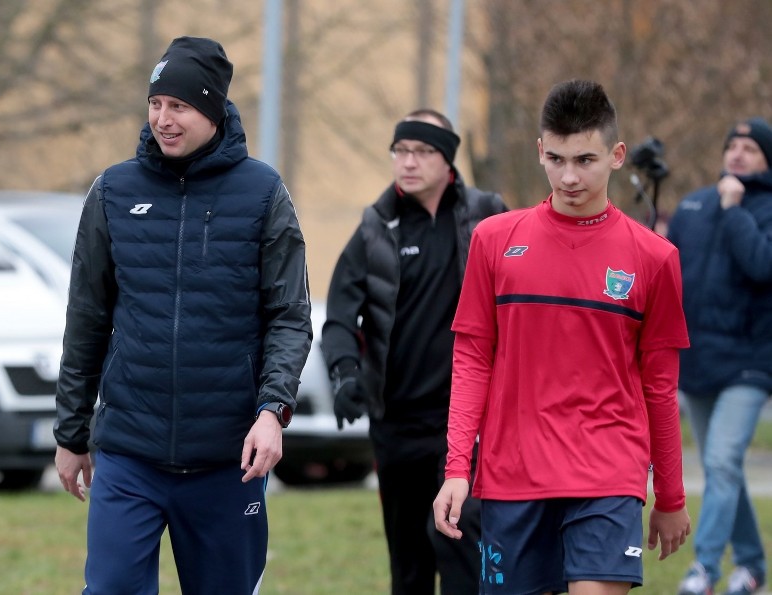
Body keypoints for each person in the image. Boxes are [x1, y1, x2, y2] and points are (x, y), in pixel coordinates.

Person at [53, 36, 312, 594]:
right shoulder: (114, 191)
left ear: (213, 108)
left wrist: (273, 410)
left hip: (227, 460)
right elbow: (87, 318)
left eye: (180, 106)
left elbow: (290, 315)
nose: (163, 120)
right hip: (129, 454)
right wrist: (72, 433)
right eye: (156, 104)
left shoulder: (263, 193)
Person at [433, 79, 692, 594]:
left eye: (585, 160)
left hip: (609, 472)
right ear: (540, 152)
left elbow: (659, 386)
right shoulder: (493, 241)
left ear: (617, 155)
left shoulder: (655, 258)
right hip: (513, 473)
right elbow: (471, 360)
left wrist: (670, 494)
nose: (569, 176)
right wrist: (457, 466)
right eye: (556, 159)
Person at [322, 108, 507, 594]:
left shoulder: (490, 216)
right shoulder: (374, 228)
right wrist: (344, 374)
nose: (408, 161)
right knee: (409, 562)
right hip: (398, 426)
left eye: (422, 151)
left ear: (447, 161)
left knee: (459, 539)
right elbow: (340, 315)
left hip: (469, 425)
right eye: (400, 151)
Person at [668, 117, 772, 595]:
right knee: (719, 466)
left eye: (749, 147)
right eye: (732, 144)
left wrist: (734, 210)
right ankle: (750, 566)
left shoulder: (761, 208)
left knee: (724, 460)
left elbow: (761, 265)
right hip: (698, 358)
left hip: (751, 360)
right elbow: (666, 271)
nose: (736, 154)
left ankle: (703, 569)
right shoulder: (694, 205)